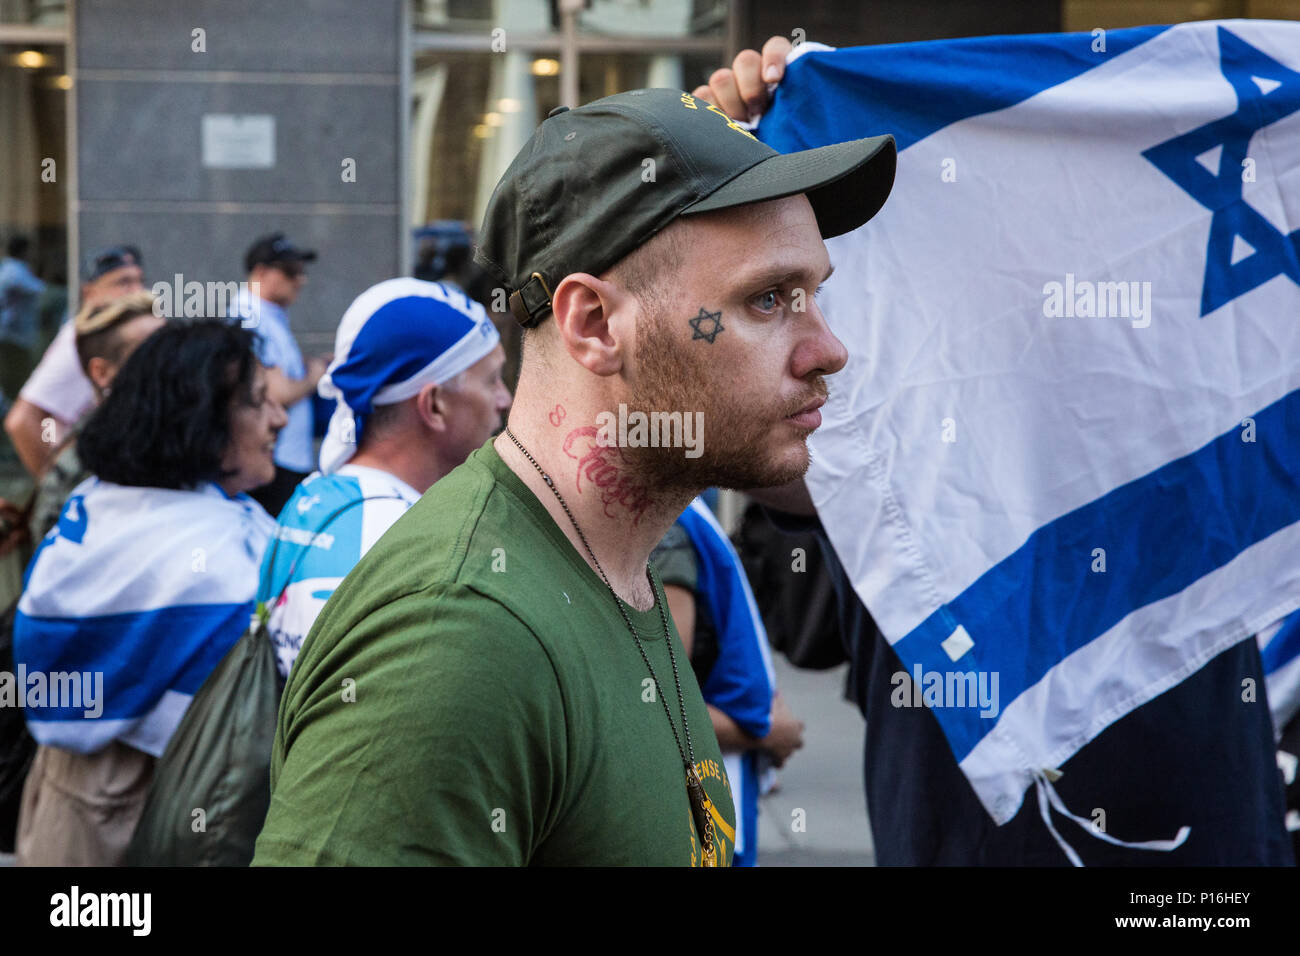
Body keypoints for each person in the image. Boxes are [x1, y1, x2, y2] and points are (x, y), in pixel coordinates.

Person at [253, 87, 895, 866]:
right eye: (766, 299)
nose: (829, 349)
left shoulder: (613, 562)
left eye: (812, 295)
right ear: (593, 325)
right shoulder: (455, 640)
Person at [705, 37, 1294, 865]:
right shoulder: (906, 398)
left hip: (1202, 829)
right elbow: (797, 477)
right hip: (974, 828)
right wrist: (729, 192)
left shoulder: (1184, 409)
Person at [12, 320, 285, 866]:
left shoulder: (99, 502)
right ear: (203, 422)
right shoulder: (218, 563)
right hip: (121, 815)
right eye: (258, 404)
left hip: (75, 799)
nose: (279, 418)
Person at [260, 277, 509, 679]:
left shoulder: (311, 498)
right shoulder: (410, 544)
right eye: (491, 380)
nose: (504, 398)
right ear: (434, 405)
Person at [652, 497, 805, 866]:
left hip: (711, 797)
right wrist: (764, 731)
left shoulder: (679, 514)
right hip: (693, 808)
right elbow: (654, 706)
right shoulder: (667, 528)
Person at [27, 291, 166, 545]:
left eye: (170, 346)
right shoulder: (86, 460)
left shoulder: (177, 432)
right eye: (149, 353)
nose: (170, 361)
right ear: (101, 372)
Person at [4, 244, 145, 478]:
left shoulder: (119, 335)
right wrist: (55, 489)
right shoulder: (79, 340)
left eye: (139, 281)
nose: (136, 291)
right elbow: (24, 421)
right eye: (122, 283)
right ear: (90, 294)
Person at [230, 232, 331, 516]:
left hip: (284, 459)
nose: (300, 279)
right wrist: (314, 375)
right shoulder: (249, 316)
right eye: (290, 272)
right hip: (274, 460)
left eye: (301, 271)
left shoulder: (267, 315)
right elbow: (276, 392)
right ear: (261, 272)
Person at [0, 236, 46, 405]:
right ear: (24, 251)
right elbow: (40, 290)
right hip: (13, 336)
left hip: (16, 335)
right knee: (16, 381)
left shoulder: (12, 269)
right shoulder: (14, 272)